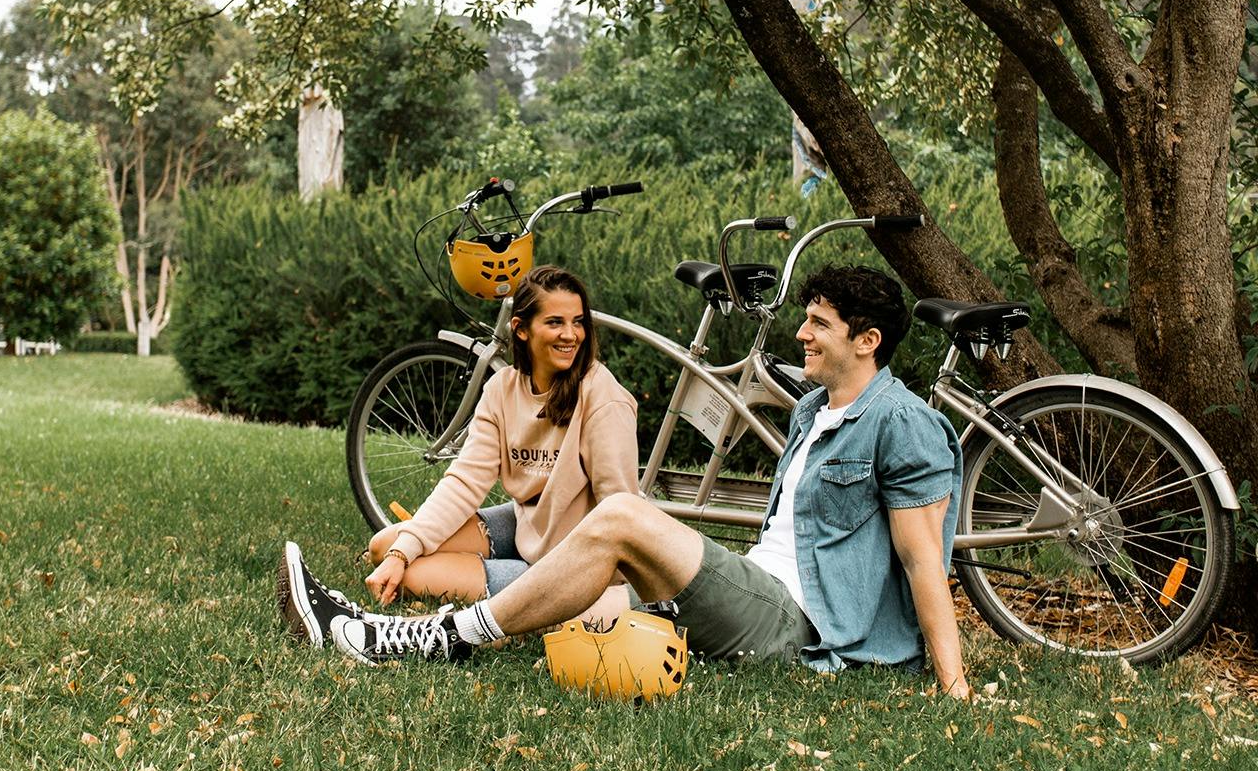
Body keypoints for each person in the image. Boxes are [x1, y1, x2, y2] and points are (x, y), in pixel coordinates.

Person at [280, 265, 970, 699]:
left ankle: (435, 639)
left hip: (801, 627)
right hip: (759, 590)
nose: (801, 335)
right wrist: (406, 547)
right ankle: (373, 629)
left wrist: (954, 685)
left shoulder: (903, 425)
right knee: (585, 590)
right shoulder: (816, 410)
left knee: (620, 521)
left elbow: (921, 561)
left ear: (867, 340)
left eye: (819, 324)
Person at [285, 266, 639, 644]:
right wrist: (403, 552)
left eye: (578, 322)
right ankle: (498, 571)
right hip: (529, 527)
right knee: (385, 547)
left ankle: (501, 587)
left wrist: (590, 589)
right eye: (555, 322)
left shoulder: (603, 397)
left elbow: (620, 510)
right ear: (521, 328)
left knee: (417, 576)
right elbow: (465, 482)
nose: (571, 335)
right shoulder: (503, 389)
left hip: (573, 568)